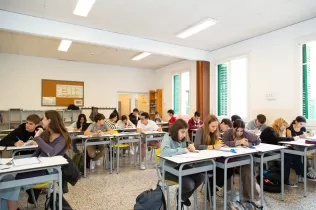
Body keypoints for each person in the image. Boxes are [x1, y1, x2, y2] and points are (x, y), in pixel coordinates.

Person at [0, 110, 71, 210]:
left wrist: (37, 138)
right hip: (37, 166)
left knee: (9, 182)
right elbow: (37, 153)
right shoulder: (46, 133)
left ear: (50, 121)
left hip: (48, 170)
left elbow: (51, 152)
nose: (42, 122)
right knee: (5, 179)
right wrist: (24, 163)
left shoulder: (62, 138)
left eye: (44, 119)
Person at [160, 119, 204, 208]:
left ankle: (182, 197)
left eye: (185, 132)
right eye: (182, 132)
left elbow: (185, 149)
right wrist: (182, 150)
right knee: (189, 184)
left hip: (180, 166)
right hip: (168, 169)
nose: (184, 135)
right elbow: (164, 151)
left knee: (201, 177)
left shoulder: (182, 139)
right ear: (176, 130)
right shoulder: (167, 137)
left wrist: (189, 147)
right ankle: (181, 196)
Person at [194, 115, 234, 198]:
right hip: (202, 160)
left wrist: (220, 145)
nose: (215, 129)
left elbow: (215, 145)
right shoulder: (200, 130)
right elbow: (197, 146)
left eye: (216, 127)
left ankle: (212, 184)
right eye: (213, 126)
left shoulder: (214, 133)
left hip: (212, 158)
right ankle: (211, 185)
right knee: (221, 169)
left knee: (230, 168)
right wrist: (212, 147)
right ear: (207, 124)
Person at [222, 119, 261, 201]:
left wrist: (249, 144)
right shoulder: (227, 133)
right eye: (237, 131)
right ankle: (228, 192)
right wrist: (238, 142)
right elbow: (224, 142)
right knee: (226, 169)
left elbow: (258, 140)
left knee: (247, 171)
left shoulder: (247, 134)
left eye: (241, 131)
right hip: (230, 159)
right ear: (233, 128)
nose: (239, 133)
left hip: (243, 158)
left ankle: (251, 196)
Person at [260, 118, 304, 187]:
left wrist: (285, 144)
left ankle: (302, 173)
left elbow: (275, 141)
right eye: (284, 126)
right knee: (288, 158)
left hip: (274, 149)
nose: (284, 128)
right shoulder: (269, 129)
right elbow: (276, 139)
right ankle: (285, 180)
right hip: (267, 151)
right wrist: (293, 138)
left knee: (296, 154)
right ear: (279, 124)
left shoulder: (274, 131)